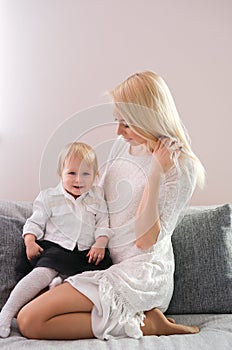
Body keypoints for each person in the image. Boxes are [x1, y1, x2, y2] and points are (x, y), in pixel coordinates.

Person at [16, 71, 205, 340]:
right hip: (106, 264)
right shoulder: (121, 146)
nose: (118, 131)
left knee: (30, 321)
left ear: (147, 118)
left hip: (141, 274)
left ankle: (149, 325)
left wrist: (155, 173)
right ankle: (136, 322)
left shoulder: (179, 167)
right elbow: (96, 200)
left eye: (126, 124)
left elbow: (145, 239)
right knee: (28, 315)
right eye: (118, 121)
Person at [0, 142, 113, 338]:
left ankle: (60, 282)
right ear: (60, 173)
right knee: (42, 273)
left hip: (84, 254)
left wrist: (100, 243)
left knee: (94, 278)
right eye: (71, 173)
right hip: (56, 249)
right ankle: (6, 312)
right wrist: (30, 241)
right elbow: (34, 223)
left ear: (96, 176)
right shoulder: (49, 197)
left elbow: (104, 224)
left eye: (86, 174)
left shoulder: (97, 198)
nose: (79, 179)